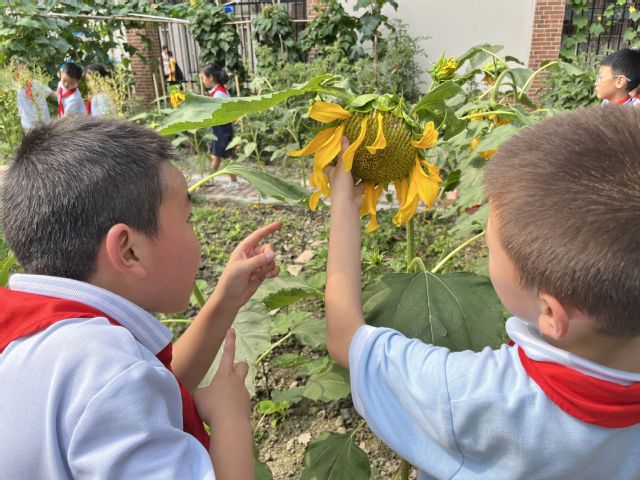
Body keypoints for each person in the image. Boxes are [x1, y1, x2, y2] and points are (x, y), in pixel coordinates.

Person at [324, 106, 640, 479]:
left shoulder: (469, 397)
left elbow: (345, 338)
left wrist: (344, 203)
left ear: (551, 313)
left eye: (489, 246)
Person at [0, 115, 281, 479]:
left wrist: (227, 299)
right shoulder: (106, 372)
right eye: (188, 219)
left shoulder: (46, 339)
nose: (195, 233)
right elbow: (122, 385)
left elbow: (151, 389)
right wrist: (230, 418)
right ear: (129, 251)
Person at [199, 63, 238, 187]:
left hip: (222, 128)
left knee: (225, 155)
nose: (202, 81)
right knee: (217, 155)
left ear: (210, 77)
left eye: (203, 78)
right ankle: (210, 179)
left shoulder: (219, 94)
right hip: (222, 127)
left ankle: (234, 182)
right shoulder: (220, 90)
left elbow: (217, 112)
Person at [13, 59, 55, 131]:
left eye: (25, 69)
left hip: (45, 122)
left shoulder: (36, 83)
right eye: (20, 70)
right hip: (31, 126)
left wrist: (64, 95)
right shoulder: (18, 91)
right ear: (16, 76)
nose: (24, 72)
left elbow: (50, 92)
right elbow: (21, 110)